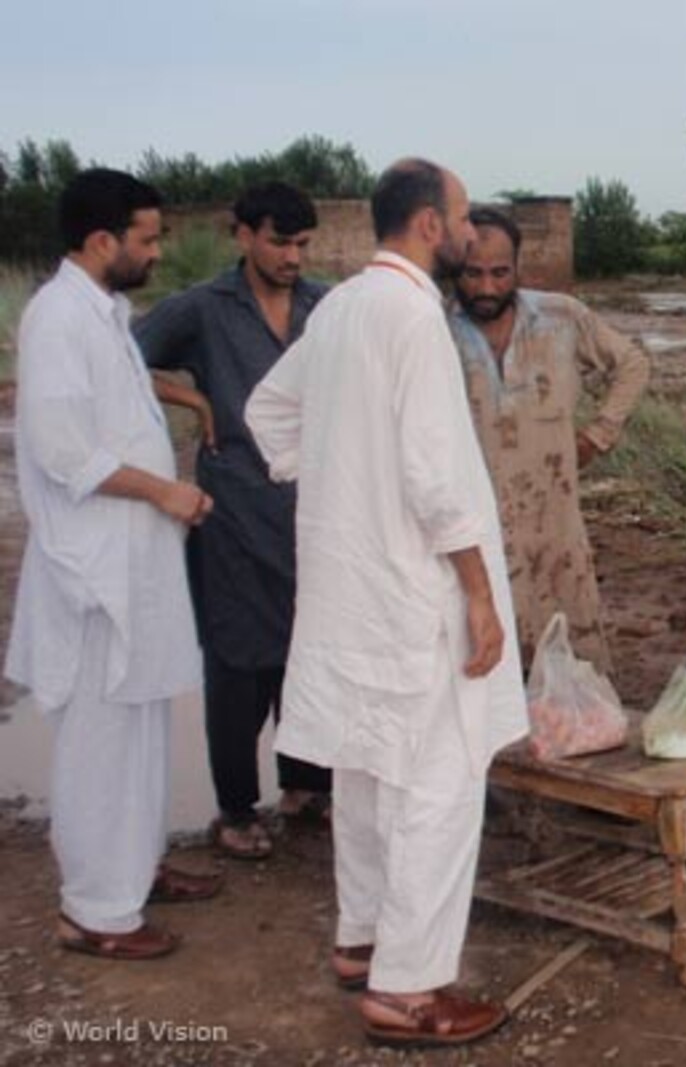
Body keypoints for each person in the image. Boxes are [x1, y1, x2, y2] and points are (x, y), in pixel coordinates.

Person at [245, 158, 525, 1049]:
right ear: (432, 226)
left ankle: (362, 939)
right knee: (439, 786)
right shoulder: (410, 317)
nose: (474, 232)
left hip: (348, 589)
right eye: (463, 216)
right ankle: (408, 989)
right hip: (413, 594)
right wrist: (480, 597)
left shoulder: (339, 311)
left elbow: (266, 415)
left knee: (365, 772)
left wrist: (336, 480)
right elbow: (437, 480)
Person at [6, 169, 222, 962]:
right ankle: (94, 909)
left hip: (135, 562)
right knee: (102, 734)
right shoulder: (58, 319)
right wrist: (165, 490)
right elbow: (67, 453)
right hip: (93, 569)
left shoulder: (103, 312)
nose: (157, 251)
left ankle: (134, 867)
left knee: (141, 723)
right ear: (102, 242)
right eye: (147, 238)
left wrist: (189, 408)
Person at [135, 181, 332, 860]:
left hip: (312, 511)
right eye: (279, 241)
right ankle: (235, 807)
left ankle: (307, 784)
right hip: (234, 510)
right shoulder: (204, 308)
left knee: (306, 652)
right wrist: (190, 397)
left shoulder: (324, 306)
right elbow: (124, 356)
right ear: (243, 235)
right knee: (238, 659)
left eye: (303, 244)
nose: (292, 256)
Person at [449, 206, 649, 674]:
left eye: (500, 273)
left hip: (556, 526)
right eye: (473, 273)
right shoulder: (435, 329)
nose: (486, 288)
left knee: (572, 669)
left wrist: (599, 435)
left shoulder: (561, 316)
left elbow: (633, 364)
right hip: (475, 534)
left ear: (518, 267)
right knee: (483, 665)